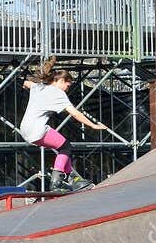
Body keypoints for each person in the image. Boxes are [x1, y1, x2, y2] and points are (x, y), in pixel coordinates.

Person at [19, 57, 107, 192]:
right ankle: (56, 182)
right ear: (60, 81)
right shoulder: (58, 93)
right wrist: (93, 125)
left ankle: (71, 178)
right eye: (67, 85)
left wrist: (26, 85)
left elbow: (27, 83)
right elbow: (75, 113)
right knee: (65, 146)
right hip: (37, 130)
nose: (67, 89)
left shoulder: (38, 87)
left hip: (24, 129)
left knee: (63, 147)